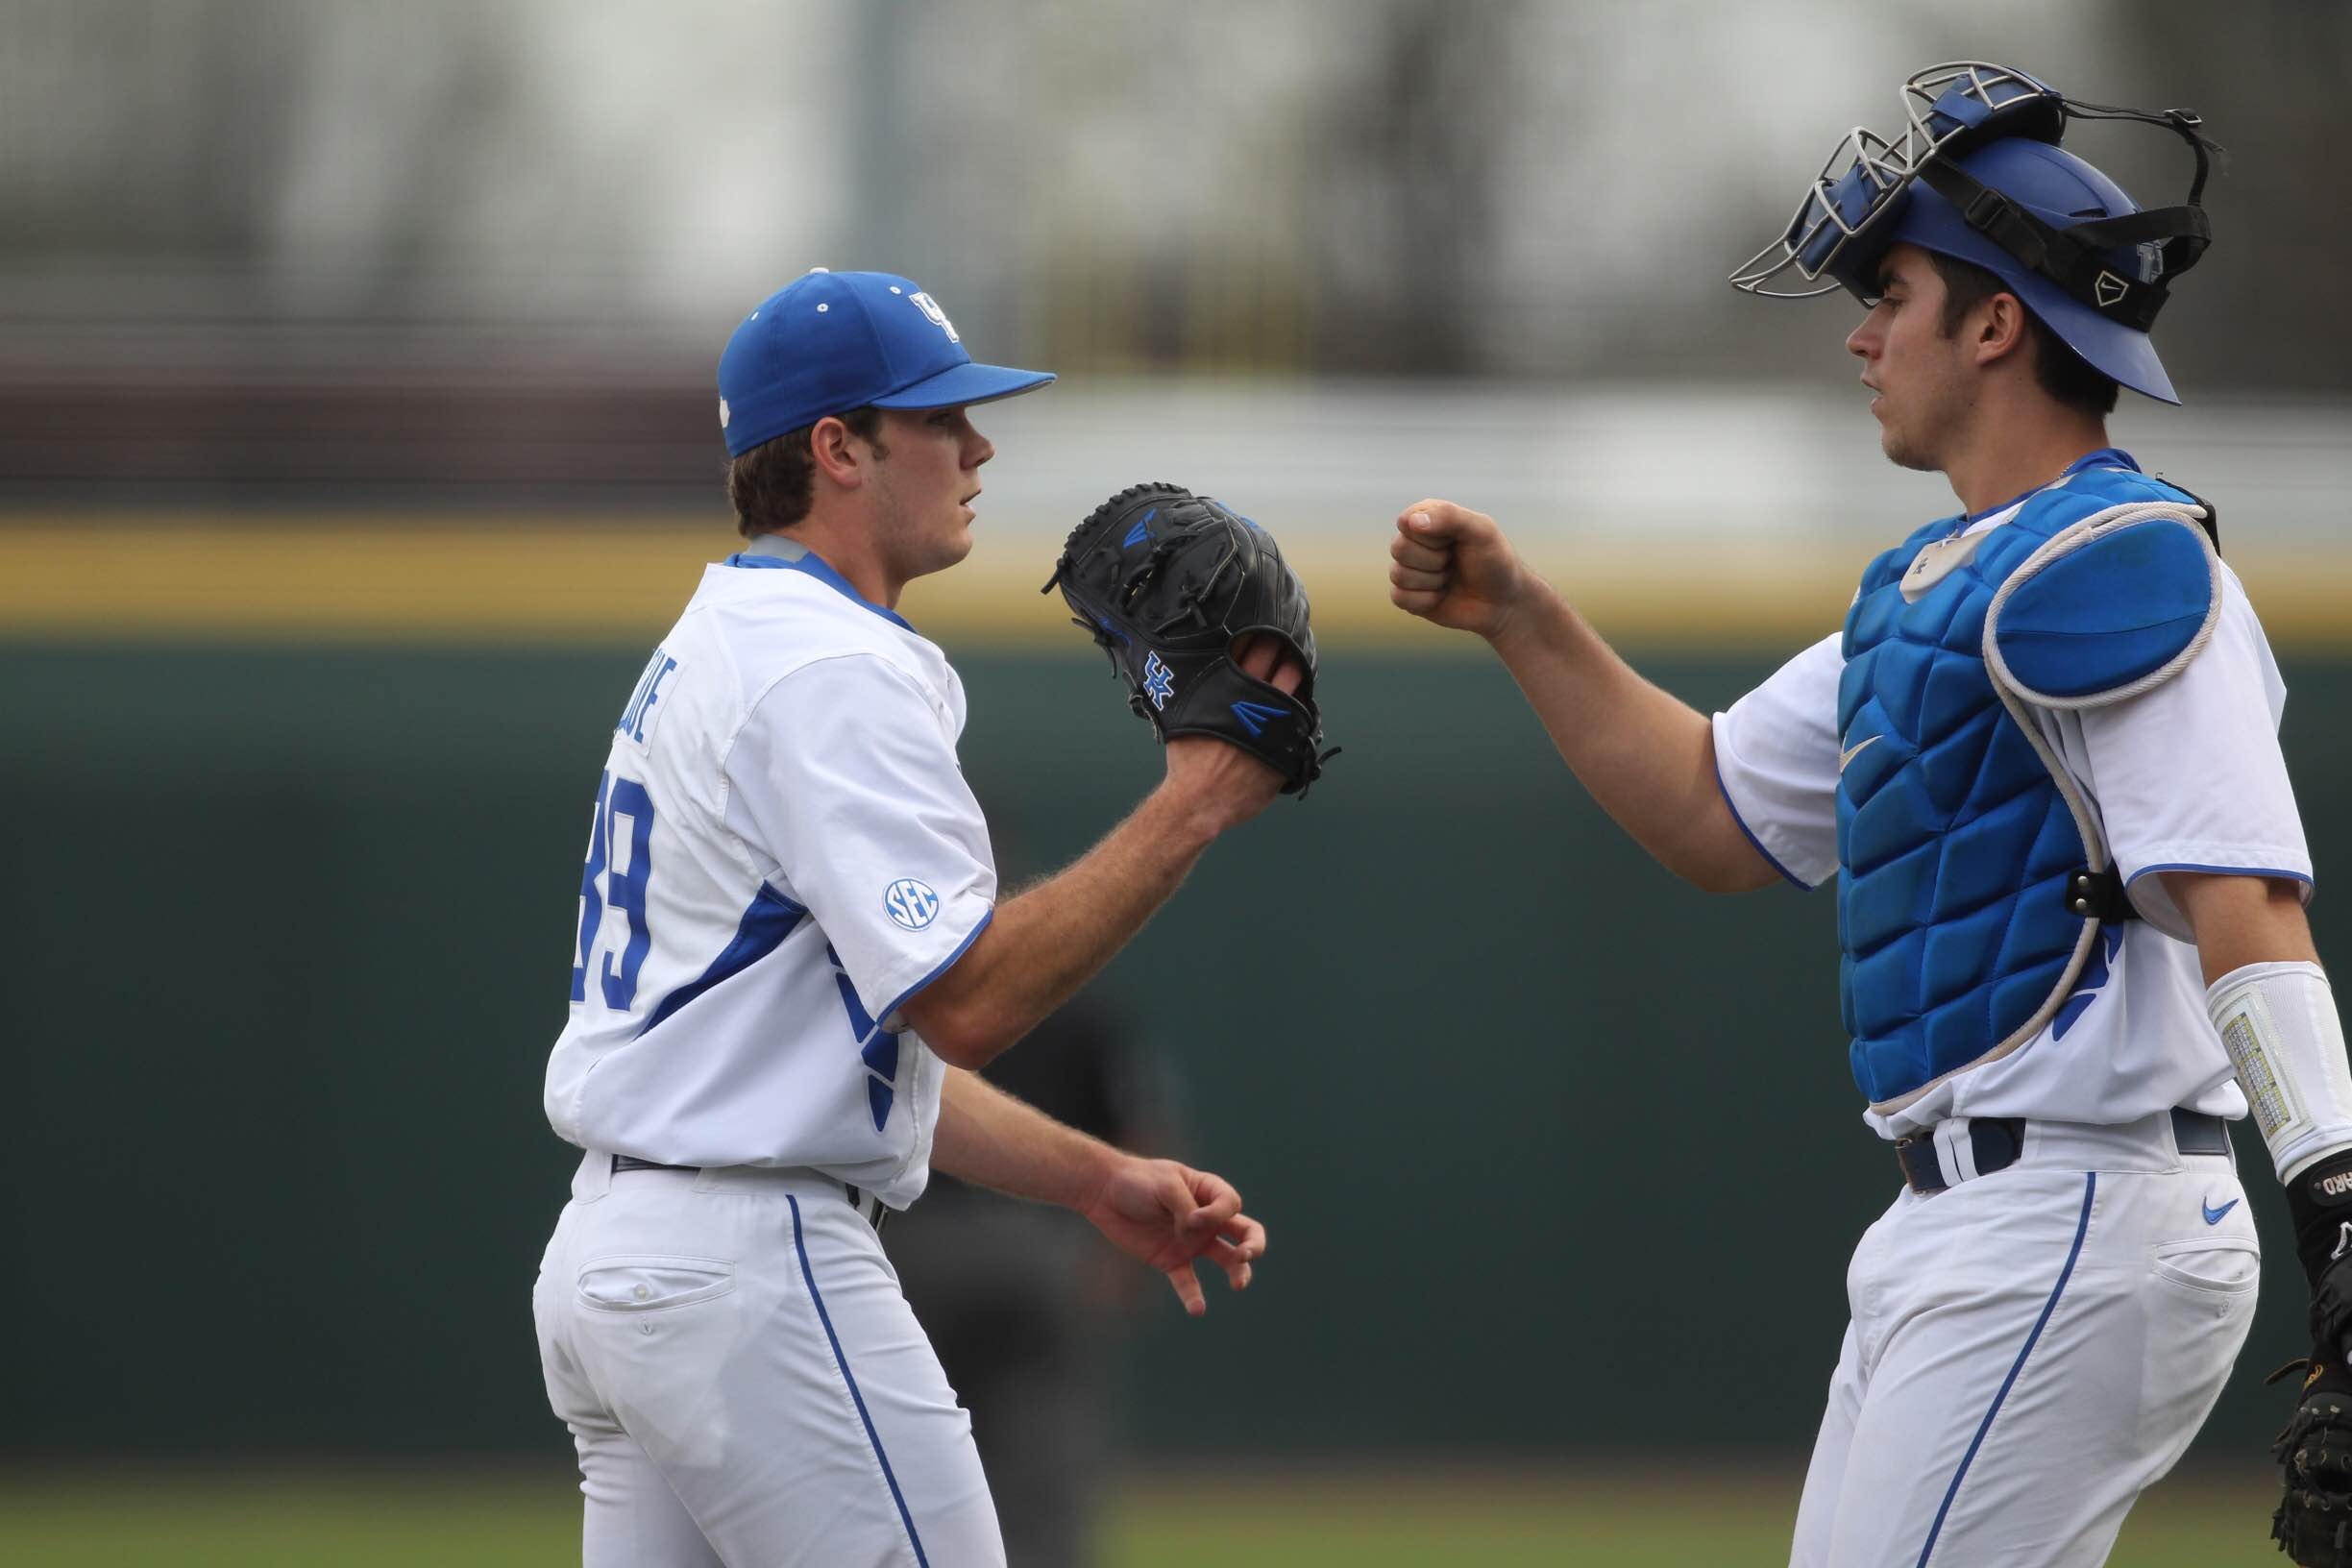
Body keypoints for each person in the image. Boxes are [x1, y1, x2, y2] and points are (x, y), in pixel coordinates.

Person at [1389, 63, 2343, 1567]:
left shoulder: (2121, 562)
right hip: (1961, 1222)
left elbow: (2248, 905)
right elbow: (1714, 811)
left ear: (1994, 322)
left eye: (1891, 290)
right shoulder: (1934, 589)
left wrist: (2336, 1201)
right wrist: (1523, 615)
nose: (1860, 330)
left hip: (2079, 1209)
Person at [531, 267, 1286, 1568]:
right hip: (750, 1265)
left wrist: (1095, 1175)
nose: (977, 446)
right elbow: (972, 1003)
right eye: (939, 419)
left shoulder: (719, 644)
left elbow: (858, 1050)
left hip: (620, 1261)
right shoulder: (829, 664)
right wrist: (1196, 802)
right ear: (838, 449)